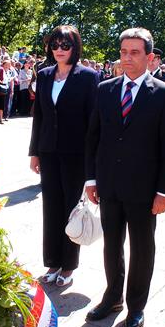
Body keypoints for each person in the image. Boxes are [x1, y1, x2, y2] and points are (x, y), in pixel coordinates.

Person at [84, 28, 165, 327]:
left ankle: (136, 306)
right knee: (112, 245)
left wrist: (164, 192)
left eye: (135, 52)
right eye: (124, 51)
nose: (127, 58)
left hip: (144, 190)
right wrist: (91, 179)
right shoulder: (105, 89)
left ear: (150, 57)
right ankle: (113, 297)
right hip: (109, 185)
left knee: (142, 248)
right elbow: (93, 138)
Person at [29, 25, 98, 288]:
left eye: (65, 45)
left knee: (72, 209)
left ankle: (69, 266)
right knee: (51, 208)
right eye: (55, 45)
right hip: (48, 151)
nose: (59, 50)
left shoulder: (88, 77)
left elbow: (93, 121)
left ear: (75, 48)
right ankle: (53, 262)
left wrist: (92, 160)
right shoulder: (44, 75)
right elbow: (40, 117)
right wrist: (34, 152)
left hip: (75, 153)